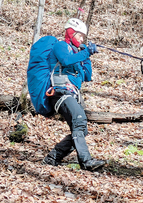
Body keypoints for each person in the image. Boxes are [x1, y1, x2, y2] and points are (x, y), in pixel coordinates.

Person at [42, 18, 106, 171]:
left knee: (81, 130)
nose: (81, 39)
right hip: (59, 93)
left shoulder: (78, 53)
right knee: (79, 121)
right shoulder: (61, 46)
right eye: (79, 36)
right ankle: (86, 161)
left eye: (83, 37)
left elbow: (87, 76)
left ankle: (52, 158)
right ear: (71, 33)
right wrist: (85, 53)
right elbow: (65, 60)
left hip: (73, 93)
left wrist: (87, 55)